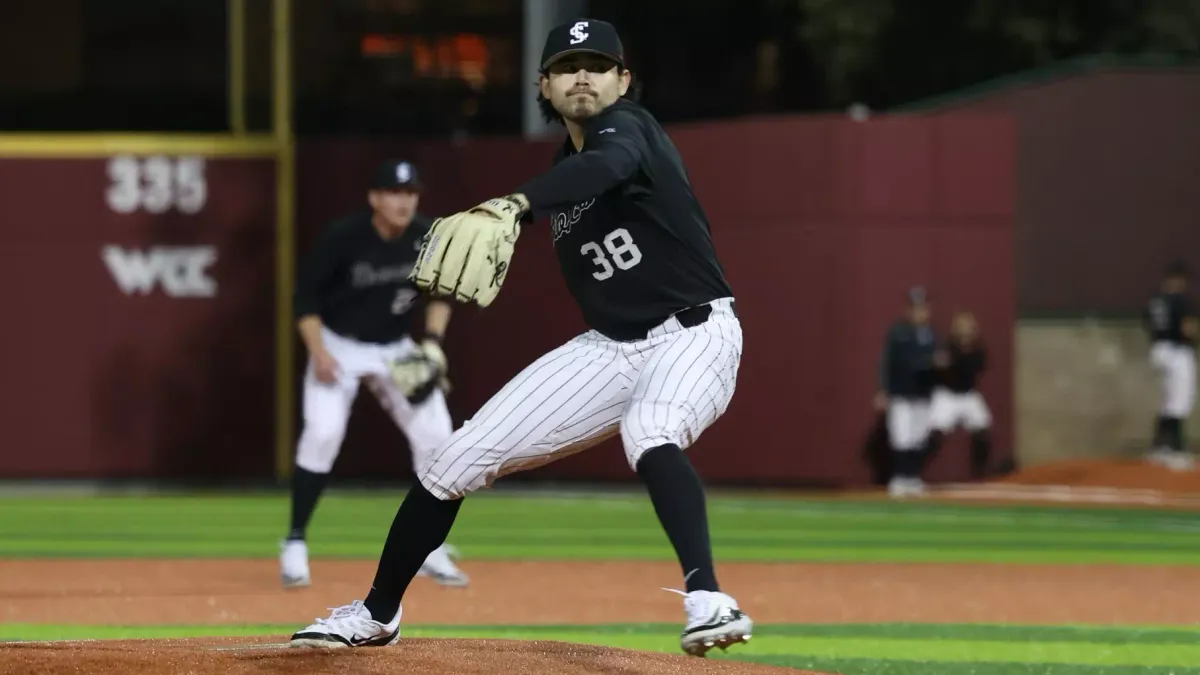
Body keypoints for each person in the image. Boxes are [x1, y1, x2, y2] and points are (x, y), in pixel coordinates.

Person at [288, 19, 752, 657]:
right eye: (567, 66)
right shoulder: (566, 171)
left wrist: (514, 203)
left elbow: (611, 163)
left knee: (650, 430)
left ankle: (708, 598)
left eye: (597, 64)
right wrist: (523, 207)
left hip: (694, 334)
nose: (582, 76)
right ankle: (375, 614)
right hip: (610, 347)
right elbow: (583, 185)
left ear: (623, 79)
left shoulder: (628, 129)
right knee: (452, 460)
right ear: (544, 85)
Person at [279, 159, 469, 590]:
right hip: (339, 344)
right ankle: (294, 541)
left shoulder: (426, 236)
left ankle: (430, 548)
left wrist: (434, 343)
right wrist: (318, 351)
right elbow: (303, 299)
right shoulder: (343, 238)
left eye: (410, 193)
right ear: (374, 198)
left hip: (397, 349)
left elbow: (442, 293)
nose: (404, 201)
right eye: (395, 193)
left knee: (437, 437)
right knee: (322, 433)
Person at [875, 287, 939, 497]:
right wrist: (883, 390)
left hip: (923, 394)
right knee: (901, 436)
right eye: (914, 308)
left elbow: (935, 363)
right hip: (901, 393)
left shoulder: (930, 335)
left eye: (922, 308)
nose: (918, 313)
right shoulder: (898, 333)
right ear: (907, 310)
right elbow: (887, 362)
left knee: (918, 437)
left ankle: (912, 477)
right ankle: (899, 478)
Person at [923, 311, 993, 480]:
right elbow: (937, 368)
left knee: (982, 431)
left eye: (968, 327)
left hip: (968, 395)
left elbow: (973, 367)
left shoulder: (978, 350)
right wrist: (942, 364)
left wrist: (951, 362)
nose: (965, 331)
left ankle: (980, 473)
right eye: (961, 327)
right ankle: (916, 472)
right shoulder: (947, 347)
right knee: (935, 435)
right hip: (947, 395)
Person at [1144, 261, 1197, 471]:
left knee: (1168, 400)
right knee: (1180, 400)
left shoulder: (1155, 300)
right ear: (1179, 279)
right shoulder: (1180, 300)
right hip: (1177, 351)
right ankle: (1175, 449)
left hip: (1158, 350)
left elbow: (1147, 323)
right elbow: (1187, 328)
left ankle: (1158, 448)